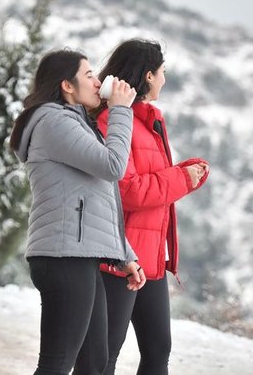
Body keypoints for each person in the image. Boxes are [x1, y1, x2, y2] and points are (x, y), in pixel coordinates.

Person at [9, 49, 147, 375]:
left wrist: (124, 254)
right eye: (89, 75)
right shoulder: (54, 122)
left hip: (77, 256)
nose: (97, 82)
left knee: (94, 363)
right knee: (56, 364)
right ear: (67, 85)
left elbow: (98, 197)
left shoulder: (74, 123)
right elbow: (113, 166)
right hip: (63, 257)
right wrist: (121, 110)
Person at [94, 39, 210, 374]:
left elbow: (153, 181)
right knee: (104, 355)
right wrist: (181, 178)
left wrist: (186, 174)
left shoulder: (150, 122)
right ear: (148, 75)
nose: (164, 79)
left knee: (158, 349)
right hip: (118, 256)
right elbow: (128, 190)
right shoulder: (113, 120)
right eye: (162, 72)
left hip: (151, 256)